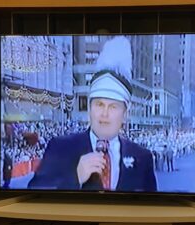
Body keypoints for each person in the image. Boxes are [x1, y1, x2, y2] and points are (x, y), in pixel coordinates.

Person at [28, 37, 157, 192]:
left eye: (113, 107)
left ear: (125, 114)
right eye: (99, 104)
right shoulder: (60, 148)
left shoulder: (142, 157)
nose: (104, 114)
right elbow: (35, 196)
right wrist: (75, 177)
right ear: (89, 109)